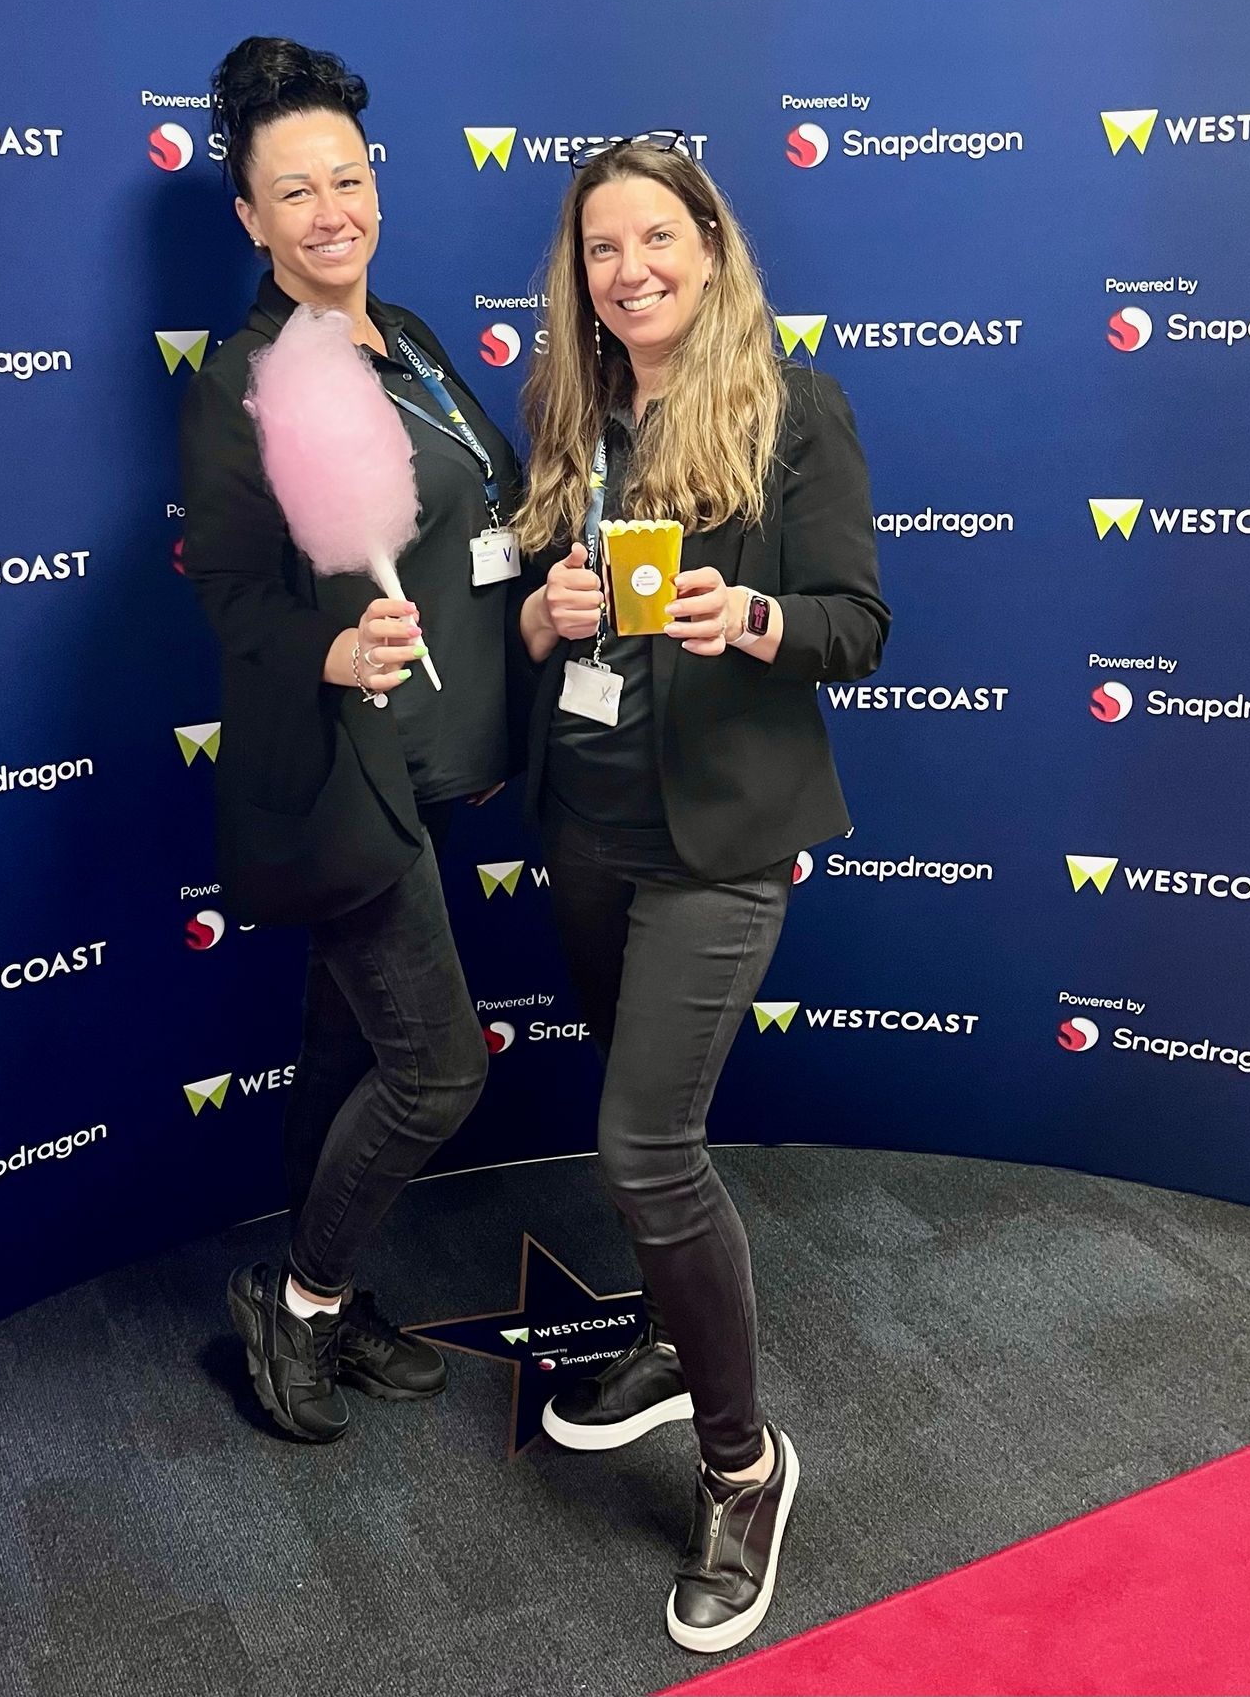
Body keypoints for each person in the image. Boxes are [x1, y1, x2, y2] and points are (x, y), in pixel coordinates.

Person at [511, 133, 890, 1651]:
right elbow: (525, 620)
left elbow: (857, 624)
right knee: (640, 1119)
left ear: (710, 245)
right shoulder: (571, 411)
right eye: (603, 249)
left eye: (656, 238)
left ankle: (742, 1467)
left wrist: (754, 618)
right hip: (588, 826)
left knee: (644, 1151)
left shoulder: (794, 406)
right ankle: (674, 1343)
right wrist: (540, 614)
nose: (632, 269)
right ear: (581, 277)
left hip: (721, 841)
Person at [181, 38, 523, 1444]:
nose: (332, 208)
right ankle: (301, 1297)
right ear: (250, 218)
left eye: (349, 177)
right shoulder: (241, 378)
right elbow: (229, 592)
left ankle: (331, 1281)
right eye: (294, 190)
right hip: (345, 777)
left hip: (438, 763)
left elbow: (474, 523)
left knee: (342, 1059)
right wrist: (327, 647)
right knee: (439, 1069)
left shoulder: (420, 343)